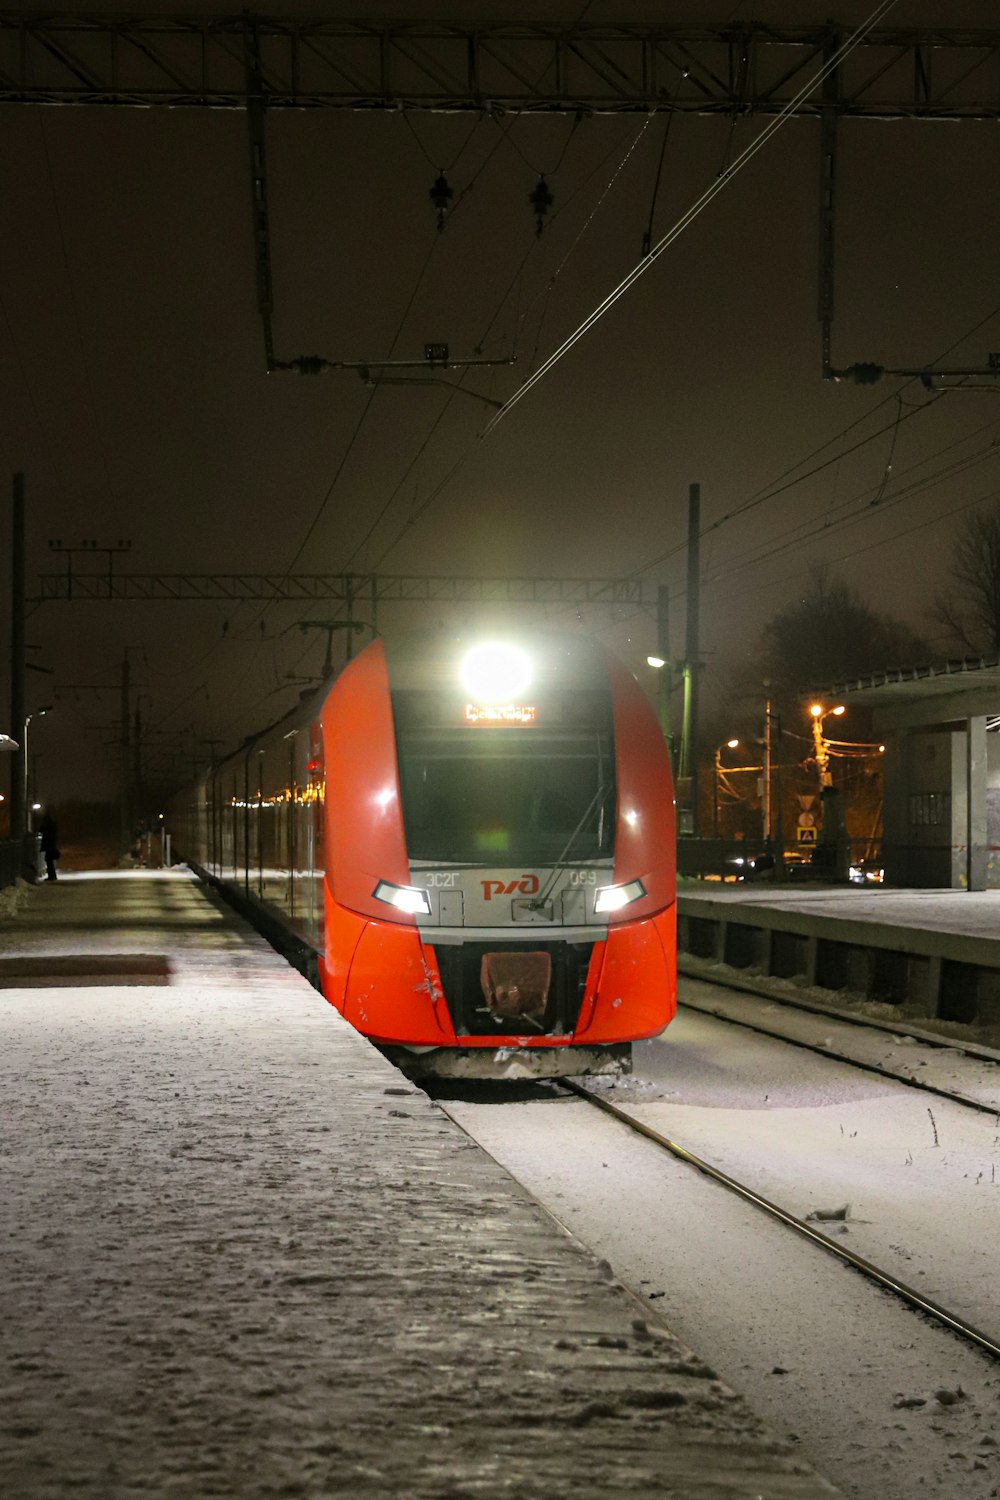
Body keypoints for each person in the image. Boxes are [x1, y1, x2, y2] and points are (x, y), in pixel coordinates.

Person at [38, 810, 60, 882]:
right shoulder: (53, 825)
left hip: (49, 845)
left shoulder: (48, 825)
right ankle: (52, 876)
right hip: (52, 845)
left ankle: (51, 876)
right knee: (50, 861)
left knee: (49, 861)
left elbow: (41, 831)